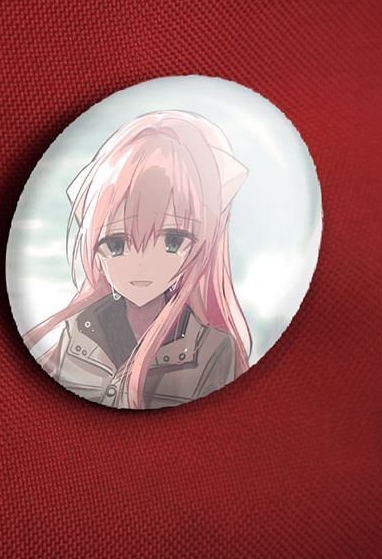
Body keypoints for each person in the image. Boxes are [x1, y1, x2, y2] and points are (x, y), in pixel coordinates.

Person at [23, 110, 251, 410]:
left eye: (172, 241)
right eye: (116, 244)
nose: (142, 265)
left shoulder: (212, 350)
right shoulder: (80, 331)